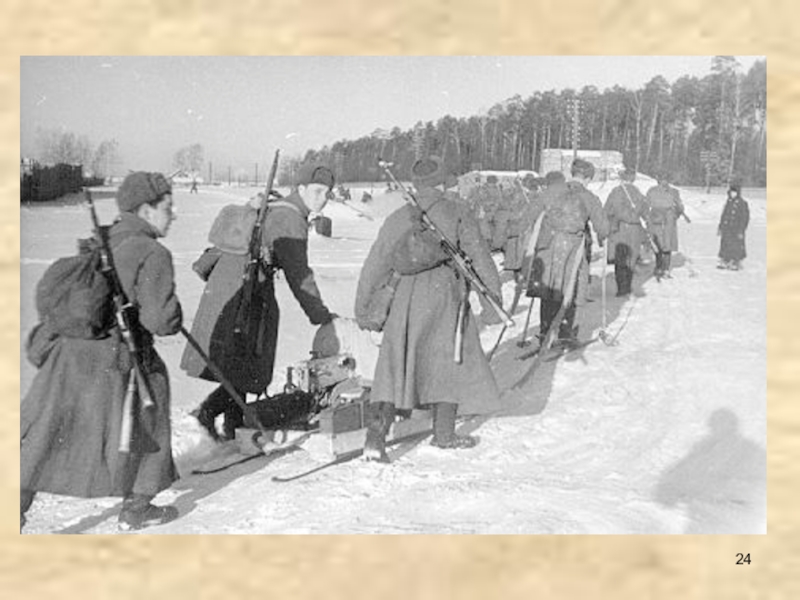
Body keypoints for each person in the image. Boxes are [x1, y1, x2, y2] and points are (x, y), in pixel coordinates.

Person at [21, 172, 183, 532]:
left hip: (67, 354)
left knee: (46, 432)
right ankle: (138, 506)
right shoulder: (154, 252)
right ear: (146, 209)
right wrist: (174, 312)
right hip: (114, 357)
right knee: (152, 403)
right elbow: (159, 320)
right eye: (168, 208)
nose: (174, 215)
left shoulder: (103, 239)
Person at [355, 157, 503, 462]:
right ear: (442, 182)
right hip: (445, 296)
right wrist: (492, 304)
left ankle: (375, 438)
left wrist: (365, 308)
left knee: (393, 365)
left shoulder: (398, 217)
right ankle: (444, 434)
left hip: (403, 297)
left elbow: (376, 263)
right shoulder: (458, 212)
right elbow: (479, 258)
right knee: (446, 362)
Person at [181, 167, 336, 441]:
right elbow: (298, 273)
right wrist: (320, 314)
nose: (322, 198)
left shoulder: (278, 206)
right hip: (247, 288)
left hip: (233, 283)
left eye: (327, 193)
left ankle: (232, 424)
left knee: (240, 359)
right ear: (300, 189)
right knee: (249, 356)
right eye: (317, 191)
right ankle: (210, 411)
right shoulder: (290, 218)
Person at [525, 161, 609, 345]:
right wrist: (603, 237)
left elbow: (530, 214)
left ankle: (545, 331)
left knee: (548, 288)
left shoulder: (551, 191)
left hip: (548, 246)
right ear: (588, 178)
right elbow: (603, 227)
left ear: (572, 173)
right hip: (572, 247)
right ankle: (564, 333)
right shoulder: (588, 196)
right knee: (570, 288)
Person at [604, 168, 650, 296]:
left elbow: (607, 210)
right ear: (633, 178)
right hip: (635, 229)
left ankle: (621, 288)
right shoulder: (638, 193)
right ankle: (627, 286)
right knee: (631, 258)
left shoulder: (616, 192)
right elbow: (646, 213)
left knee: (620, 259)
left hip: (620, 228)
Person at [644, 172, 690, 279]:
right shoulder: (659, 191)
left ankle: (662, 268)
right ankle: (662, 268)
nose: (663, 182)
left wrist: (674, 216)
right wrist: (674, 216)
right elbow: (680, 208)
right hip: (661, 221)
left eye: (664, 179)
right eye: (662, 179)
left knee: (662, 245)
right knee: (662, 245)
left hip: (662, 221)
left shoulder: (672, 192)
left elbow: (680, 207)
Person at [717, 180, 750, 270]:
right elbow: (724, 215)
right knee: (725, 244)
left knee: (736, 246)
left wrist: (741, 230)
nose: (732, 194)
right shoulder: (728, 202)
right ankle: (725, 260)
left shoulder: (742, 203)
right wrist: (720, 227)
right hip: (727, 228)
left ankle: (735, 261)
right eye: (731, 192)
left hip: (736, 229)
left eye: (734, 192)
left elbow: (744, 218)